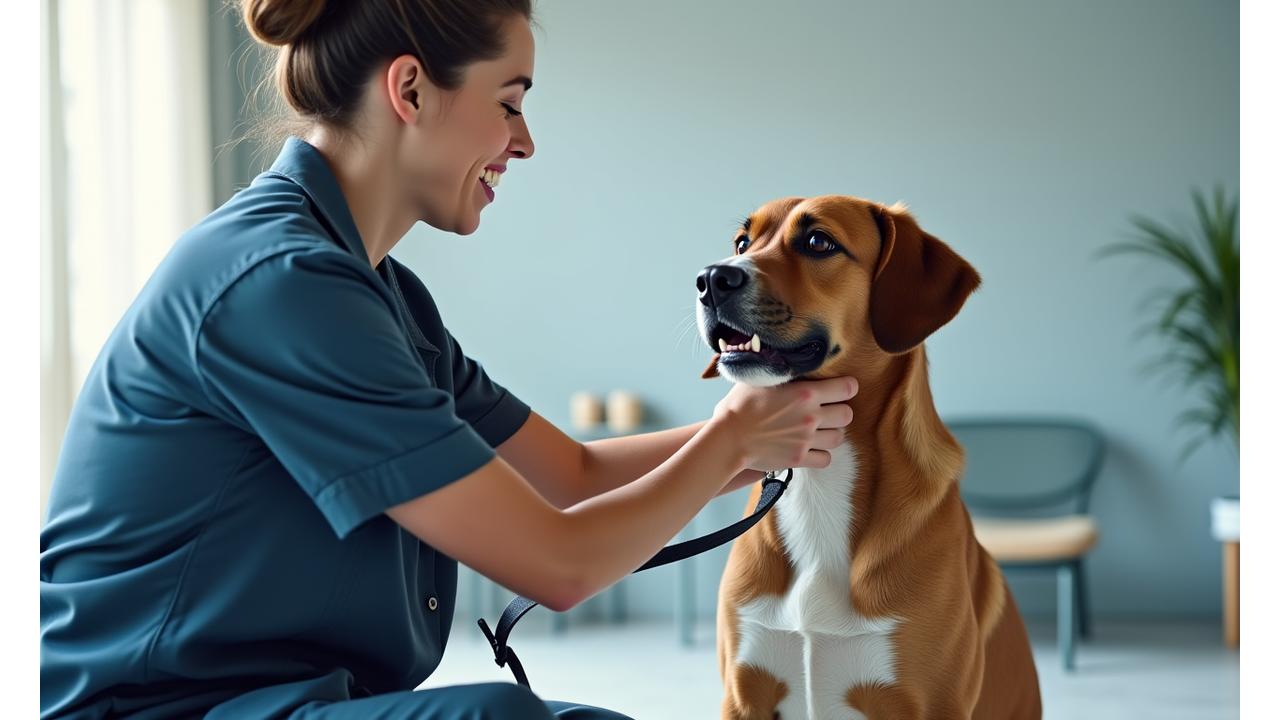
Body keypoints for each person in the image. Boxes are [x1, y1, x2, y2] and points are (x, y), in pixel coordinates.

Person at [39, 1, 858, 717]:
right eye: (509, 104)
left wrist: (759, 434)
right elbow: (556, 563)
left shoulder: (376, 294)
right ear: (411, 91)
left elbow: (567, 473)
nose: (525, 142)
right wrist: (733, 444)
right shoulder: (282, 286)